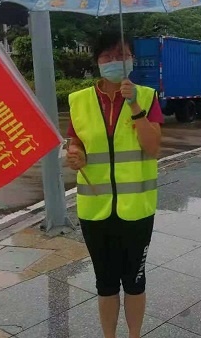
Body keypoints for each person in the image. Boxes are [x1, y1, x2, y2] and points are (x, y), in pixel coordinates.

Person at [66, 33, 163, 338]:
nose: (114, 61)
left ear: (132, 60)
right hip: (95, 209)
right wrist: (75, 156)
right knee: (105, 283)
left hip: (137, 209)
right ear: (97, 62)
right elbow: (76, 145)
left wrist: (134, 105)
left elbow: (153, 147)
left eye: (121, 54)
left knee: (135, 281)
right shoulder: (78, 101)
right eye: (107, 56)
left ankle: (134, 335)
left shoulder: (147, 97)